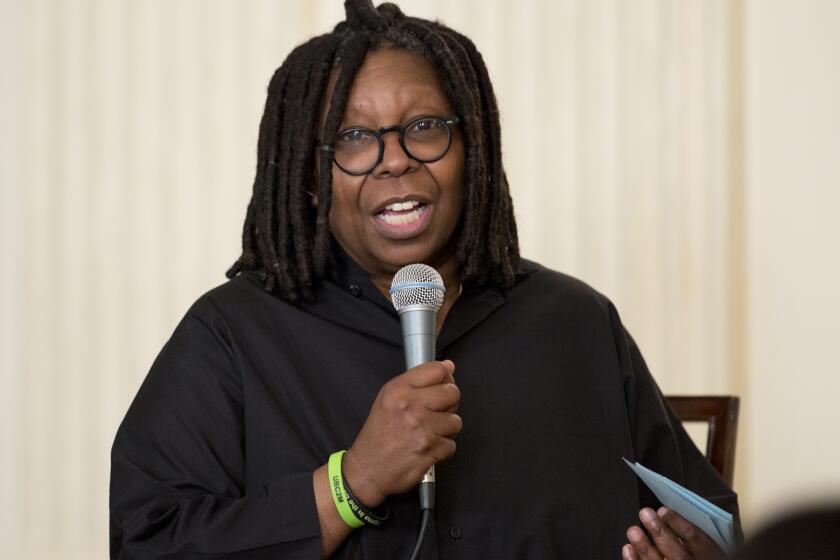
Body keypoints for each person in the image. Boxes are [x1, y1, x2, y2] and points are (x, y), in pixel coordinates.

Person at [109, 1, 740, 558]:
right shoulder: (232, 335)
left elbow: (709, 524)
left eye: (425, 127)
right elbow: (149, 542)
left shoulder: (575, 321)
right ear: (310, 176)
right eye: (354, 138)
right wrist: (350, 484)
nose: (397, 159)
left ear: (474, 152)